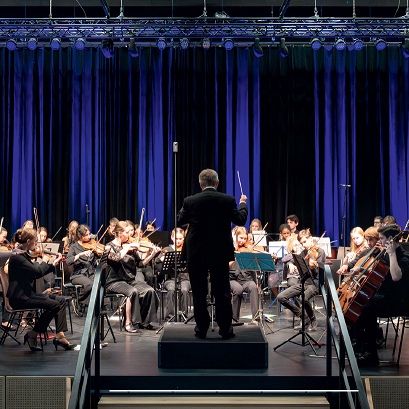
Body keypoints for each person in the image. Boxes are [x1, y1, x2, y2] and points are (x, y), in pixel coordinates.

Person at [177, 168, 248, 339]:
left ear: (200, 184)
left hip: (196, 253)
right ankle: (225, 328)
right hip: (219, 253)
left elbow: (180, 220)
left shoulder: (190, 201)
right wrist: (243, 204)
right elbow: (240, 220)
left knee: (199, 292)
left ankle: (201, 329)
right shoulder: (228, 200)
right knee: (222, 292)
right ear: (217, 183)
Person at [6, 228, 75, 351]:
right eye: (35, 241)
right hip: (19, 298)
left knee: (60, 300)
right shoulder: (18, 257)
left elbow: (36, 273)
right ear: (28, 241)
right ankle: (33, 334)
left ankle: (60, 335)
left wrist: (52, 264)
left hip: (27, 295)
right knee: (54, 305)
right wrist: (44, 260)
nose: (37, 244)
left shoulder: (23, 254)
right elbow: (37, 271)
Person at [351, 224, 409, 366]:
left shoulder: (403, 257)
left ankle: (371, 355)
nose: (380, 241)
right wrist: (360, 268)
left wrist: (392, 253)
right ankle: (360, 344)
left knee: (367, 309)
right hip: (386, 296)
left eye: (382, 238)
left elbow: (396, 277)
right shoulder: (386, 253)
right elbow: (377, 270)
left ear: (390, 239)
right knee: (360, 299)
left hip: (400, 301)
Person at [106, 221, 160, 332]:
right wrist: (128, 247)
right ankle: (128, 322)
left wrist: (152, 254)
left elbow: (140, 263)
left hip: (129, 280)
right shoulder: (109, 246)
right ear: (120, 233)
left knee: (149, 290)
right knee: (132, 291)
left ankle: (145, 322)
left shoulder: (129, 247)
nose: (130, 235)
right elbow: (116, 258)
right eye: (127, 232)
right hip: (115, 281)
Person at [277, 229, 325, 332]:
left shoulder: (320, 252)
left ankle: (313, 320)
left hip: (315, 283)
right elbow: (290, 261)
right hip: (303, 282)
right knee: (281, 297)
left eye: (304, 242)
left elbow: (320, 275)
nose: (303, 245)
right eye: (301, 243)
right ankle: (303, 315)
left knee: (303, 298)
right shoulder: (303, 253)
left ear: (310, 239)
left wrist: (313, 268)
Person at [66, 224, 101, 312]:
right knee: (91, 284)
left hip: (90, 273)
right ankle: (79, 301)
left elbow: (96, 260)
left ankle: (96, 308)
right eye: (87, 235)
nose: (90, 236)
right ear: (80, 236)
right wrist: (79, 255)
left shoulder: (92, 245)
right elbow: (68, 261)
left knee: (99, 283)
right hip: (78, 274)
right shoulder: (73, 247)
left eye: (89, 234)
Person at [159, 228, 191, 318]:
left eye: (180, 239)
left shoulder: (187, 250)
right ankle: (170, 315)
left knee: (184, 290)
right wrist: (162, 259)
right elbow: (158, 263)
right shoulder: (167, 249)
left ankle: (184, 314)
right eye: (176, 239)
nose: (178, 241)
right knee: (171, 289)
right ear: (172, 237)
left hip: (185, 278)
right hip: (171, 279)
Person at [229, 227, 258, 322]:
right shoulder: (230, 249)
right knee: (238, 289)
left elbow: (254, 267)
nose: (243, 241)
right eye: (241, 238)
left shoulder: (246, 249)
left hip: (246, 279)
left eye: (245, 239)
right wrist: (236, 258)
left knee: (253, 286)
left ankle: (255, 317)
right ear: (236, 237)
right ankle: (234, 318)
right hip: (232, 279)